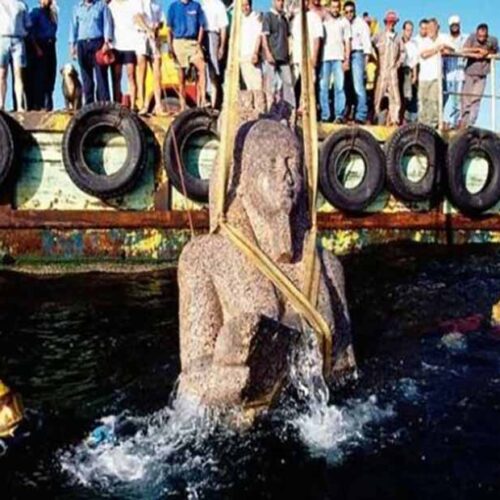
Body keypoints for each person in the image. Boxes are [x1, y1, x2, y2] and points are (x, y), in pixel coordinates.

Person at [69, 0, 113, 105]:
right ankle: (89, 104)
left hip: (98, 43)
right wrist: (72, 45)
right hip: (82, 44)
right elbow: (73, 27)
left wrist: (107, 42)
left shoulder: (101, 6)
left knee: (101, 76)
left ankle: (104, 104)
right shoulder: (76, 8)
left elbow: (107, 24)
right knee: (86, 77)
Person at [167, 0, 207, 110]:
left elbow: (202, 26)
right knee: (181, 77)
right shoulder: (173, 7)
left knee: (202, 67)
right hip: (178, 42)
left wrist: (199, 43)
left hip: (193, 42)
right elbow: (169, 29)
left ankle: (203, 100)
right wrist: (170, 47)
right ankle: (182, 105)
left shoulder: (196, 6)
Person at [319, 0, 351, 122]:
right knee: (324, 87)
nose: (335, 9)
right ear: (329, 7)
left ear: (340, 8)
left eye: (337, 7)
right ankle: (325, 115)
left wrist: (347, 59)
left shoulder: (344, 22)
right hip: (325, 58)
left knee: (339, 87)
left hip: (338, 58)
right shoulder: (324, 21)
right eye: (333, 7)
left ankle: (339, 115)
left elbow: (347, 41)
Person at [461, 24, 499, 127]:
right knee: (466, 99)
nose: (481, 38)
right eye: (479, 36)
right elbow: (463, 49)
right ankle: (463, 123)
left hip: (482, 75)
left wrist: (488, 52)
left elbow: (496, 51)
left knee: (476, 100)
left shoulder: (493, 40)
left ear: (487, 35)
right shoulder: (472, 37)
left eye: (483, 36)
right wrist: (477, 50)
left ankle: (470, 124)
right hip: (469, 72)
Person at [372, 10, 404, 126]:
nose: (391, 24)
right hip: (381, 71)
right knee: (378, 96)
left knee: (395, 98)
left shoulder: (398, 38)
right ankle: (376, 117)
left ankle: (394, 120)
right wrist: (375, 59)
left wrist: (398, 64)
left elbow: (403, 52)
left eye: (393, 22)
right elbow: (370, 46)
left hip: (392, 72)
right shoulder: (379, 36)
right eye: (389, 22)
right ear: (385, 22)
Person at [417, 18, 450, 128]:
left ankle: (432, 127)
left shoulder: (443, 38)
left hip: (436, 77)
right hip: (423, 77)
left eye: (432, 27)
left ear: (437, 28)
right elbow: (424, 55)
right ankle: (422, 126)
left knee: (434, 103)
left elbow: (452, 49)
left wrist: (445, 48)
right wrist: (437, 49)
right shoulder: (423, 41)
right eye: (428, 27)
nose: (430, 30)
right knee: (423, 103)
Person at [262, 0, 295, 109]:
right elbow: (264, 37)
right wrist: (267, 53)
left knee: (288, 83)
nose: (281, 3)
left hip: (284, 56)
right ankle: (269, 108)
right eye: (279, 1)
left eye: (282, 1)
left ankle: (290, 108)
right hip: (272, 56)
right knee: (270, 85)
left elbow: (288, 37)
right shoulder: (268, 16)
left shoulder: (284, 19)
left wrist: (289, 53)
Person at [107, 0, 140, 109]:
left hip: (130, 45)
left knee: (131, 76)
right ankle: (117, 104)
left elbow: (137, 19)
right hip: (116, 45)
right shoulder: (110, 5)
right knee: (117, 77)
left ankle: (133, 104)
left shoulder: (132, 3)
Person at [135, 0, 165, 115]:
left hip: (154, 38)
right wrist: (148, 29)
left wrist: (157, 26)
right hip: (142, 36)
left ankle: (158, 106)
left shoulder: (158, 4)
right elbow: (137, 17)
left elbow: (161, 20)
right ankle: (142, 105)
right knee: (142, 71)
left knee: (157, 72)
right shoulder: (139, 2)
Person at [0, 0, 30, 111]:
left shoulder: (22, 5)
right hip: (2, 39)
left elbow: (28, 24)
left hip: (18, 40)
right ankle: (1, 104)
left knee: (18, 75)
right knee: (2, 75)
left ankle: (19, 106)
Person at [344, 1, 370, 124]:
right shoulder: (343, 23)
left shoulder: (361, 24)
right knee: (345, 86)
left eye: (351, 11)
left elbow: (367, 45)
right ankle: (347, 112)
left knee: (358, 86)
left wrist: (365, 63)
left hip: (357, 54)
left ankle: (361, 114)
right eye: (347, 12)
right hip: (345, 54)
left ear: (355, 11)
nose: (349, 14)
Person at [29, 0, 58, 111]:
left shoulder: (52, 14)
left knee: (51, 75)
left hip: (51, 45)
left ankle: (48, 105)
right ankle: (38, 105)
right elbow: (30, 31)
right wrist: (36, 47)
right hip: (41, 46)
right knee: (40, 76)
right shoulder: (36, 12)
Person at [200, 0, 228, 109]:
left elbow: (223, 27)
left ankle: (213, 103)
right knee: (202, 69)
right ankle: (203, 101)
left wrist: (222, 46)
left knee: (213, 70)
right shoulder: (202, 4)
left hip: (212, 35)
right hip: (201, 35)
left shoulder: (218, 4)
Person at [442, 15, 467, 129]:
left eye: (456, 25)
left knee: (456, 100)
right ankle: (444, 120)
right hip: (448, 73)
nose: (454, 27)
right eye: (452, 26)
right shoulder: (446, 38)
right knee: (446, 98)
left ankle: (453, 122)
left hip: (460, 74)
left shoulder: (464, 39)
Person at [290, 0, 323, 83]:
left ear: (308, 3)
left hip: (309, 56)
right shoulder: (296, 18)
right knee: (294, 82)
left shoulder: (315, 17)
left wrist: (315, 56)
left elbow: (317, 38)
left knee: (310, 82)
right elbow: (292, 37)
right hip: (296, 57)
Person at [239, 0, 262, 91]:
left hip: (252, 56)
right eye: (243, 5)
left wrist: (255, 52)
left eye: (247, 5)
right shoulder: (239, 19)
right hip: (242, 57)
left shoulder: (256, 17)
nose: (245, 7)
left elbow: (259, 36)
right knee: (248, 87)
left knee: (257, 86)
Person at [400, 20, 418, 123]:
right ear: (403, 30)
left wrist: (414, 75)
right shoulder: (398, 40)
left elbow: (414, 61)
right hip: (397, 69)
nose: (409, 32)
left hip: (407, 70)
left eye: (411, 30)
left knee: (407, 96)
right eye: (407, 30)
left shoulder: (412, 45)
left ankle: (406, 119)